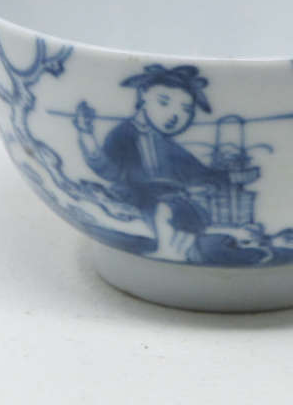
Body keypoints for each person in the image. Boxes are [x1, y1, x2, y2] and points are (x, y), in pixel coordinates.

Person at [73, 64, 259, 261]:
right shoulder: (123, 134)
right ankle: (169, 252)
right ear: (143, 95)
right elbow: (107, 168)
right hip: (138, 194)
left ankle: (190, 255)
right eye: (164, 102)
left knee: (187, 212)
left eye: (186, 109)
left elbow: (197, 172)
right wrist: (86, 134)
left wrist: (231, 177)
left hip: (172, 197)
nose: (175, 115)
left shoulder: (166, 144)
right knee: (167, 209)